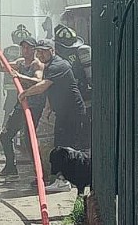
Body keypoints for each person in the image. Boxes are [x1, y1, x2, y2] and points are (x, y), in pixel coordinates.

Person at [18, 39, 87, 193]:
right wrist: (49, 108)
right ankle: (66, 179)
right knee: (62, 145)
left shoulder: (59, 65)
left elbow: (44, 86)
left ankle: (66, 180)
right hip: (64, 112)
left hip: (72, 112)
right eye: (39, 51)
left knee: (65, 147)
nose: (40, 54)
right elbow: (52, 89)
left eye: (43, 51)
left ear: (52, 50)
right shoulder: (50, 66)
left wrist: (25, 93)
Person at [0, 35, 45, 178]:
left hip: (33, 106)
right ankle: (10, 167)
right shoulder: (20, 62)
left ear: (34, 50)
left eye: (28, 48)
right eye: (23, 47)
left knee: (28, 139)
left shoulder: (37, 64)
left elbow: (38, 80)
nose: (25, 50)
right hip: (20, 105)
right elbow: (1, 67)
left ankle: (40, 173)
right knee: (5, 136)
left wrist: (20, 77)